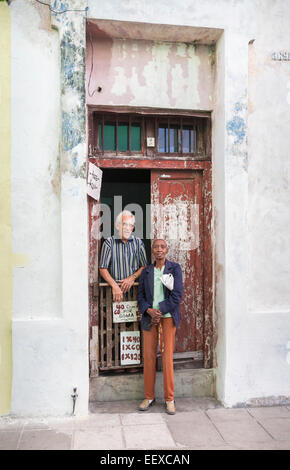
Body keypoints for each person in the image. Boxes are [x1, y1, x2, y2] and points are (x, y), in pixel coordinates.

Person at [137, 239, 183, 415]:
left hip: (168, 318)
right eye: (156, 247)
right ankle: (149, 396)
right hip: (150, 319)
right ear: (152, 251)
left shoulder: (174, 269)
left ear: (167, 250)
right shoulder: (147, 271)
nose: (159, 250)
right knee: (148, 358)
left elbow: (177, 295)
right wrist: (149, 311)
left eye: (162, 247)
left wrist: (160, 310)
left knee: (167, 358)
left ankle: (169, 399)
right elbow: (140, 296)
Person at [99, 210, 148, 302]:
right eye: (124, 224)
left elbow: (144, 266)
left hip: (135, 293)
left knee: (135, 316)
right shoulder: (109, 243)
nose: (127, 228)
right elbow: (102, 268)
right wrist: (115, 286)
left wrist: (132, 278)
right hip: (114, 293)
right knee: (114, 315)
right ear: (117, 226)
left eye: (130, 225)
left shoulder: (138, 243)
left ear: (132, 228)